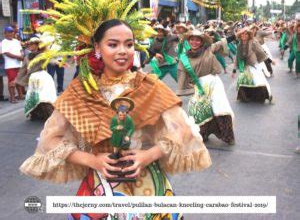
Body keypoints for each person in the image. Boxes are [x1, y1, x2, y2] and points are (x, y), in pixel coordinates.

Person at [20, 19, 211, 220]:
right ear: (97, 48)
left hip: (147, 185)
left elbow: (182, 130)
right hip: (100, 186)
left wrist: (147, 156)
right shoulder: (81, 91)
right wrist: (93, 161)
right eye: (113, 44)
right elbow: (50, 140)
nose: (123, 51)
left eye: (129, 44)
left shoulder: (149, 86)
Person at [178, 29, 235, 145]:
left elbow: (221, 43)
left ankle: (227, 135)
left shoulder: (208, 50)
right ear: (188, 41)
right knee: (197, 110)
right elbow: (182, 74)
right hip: (198, 86)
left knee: (219, 108)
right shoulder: (184, 57)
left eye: (197, 40)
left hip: (213, 83)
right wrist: (179, 93)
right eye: (192, 39)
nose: (194, 42)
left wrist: (236, 35)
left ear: (202, 42)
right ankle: (202, 133)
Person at [233, 27, 273, 103]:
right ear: (240, 36)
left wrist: (269, 60)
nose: (244, 36)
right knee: (242, 80)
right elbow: (237, 57)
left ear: (248, 35)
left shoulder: (253, 42)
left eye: (246, 34)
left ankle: (265, 95)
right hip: (245, 66)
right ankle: (245, 97)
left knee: (258, 80)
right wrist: (234, 69)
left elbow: (260, 52)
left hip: (254, 65)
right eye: (242, 34)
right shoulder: (239, 45)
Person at [24, 37, 57, 121]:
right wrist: (19, 80)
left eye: (32, 44)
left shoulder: (43, 54)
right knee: (33, 97)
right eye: (29, 44)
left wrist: (59, 63)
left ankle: (48, 115)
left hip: (42, 78)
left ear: (37, 45)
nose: (30, 45)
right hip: (33, 79)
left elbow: (51, 60)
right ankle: (36, 114)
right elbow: (25, 68)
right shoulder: (28, 56)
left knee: (44, 97)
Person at [1, 25, 24, 103]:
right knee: (12, 81)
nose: (11, 33)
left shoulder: (16, 41)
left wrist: (21, 55)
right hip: (10, 65)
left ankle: (20, 95)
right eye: (9, 32)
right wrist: (17, 57)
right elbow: (6, 53)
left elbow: (21, 50)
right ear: (5, 33)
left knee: (19, 80)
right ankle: (12, 97)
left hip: (19, 64)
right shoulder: (3, 42)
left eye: (12, 32)